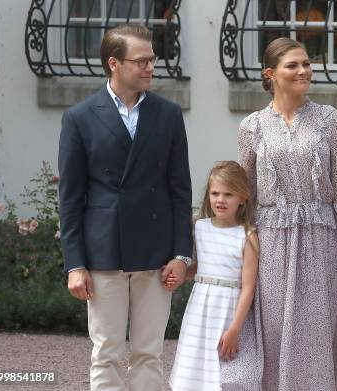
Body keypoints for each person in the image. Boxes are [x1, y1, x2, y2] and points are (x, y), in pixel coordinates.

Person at [58, 24, 192, 390]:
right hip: (104, 251)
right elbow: (70, 199)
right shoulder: (79, 118)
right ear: (114, 63)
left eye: (152, 59)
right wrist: (75, 264)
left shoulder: (167, 114)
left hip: (156, 252)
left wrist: (183, 254)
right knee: (107, 352)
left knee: (150, 353)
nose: (150, 67)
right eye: (142, 61)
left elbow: (181, 190)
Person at [238, 37, 337, 391]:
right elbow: (245, 194)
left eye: (306, 63)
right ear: (270, 74)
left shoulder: (330, 120)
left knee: (325, 335)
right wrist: (235, 251)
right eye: (293, 65)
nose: (303, 70)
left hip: (323, 243)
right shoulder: (252, 126)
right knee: (275, 335)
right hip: (272, 245)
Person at [169, 161, 262, 391]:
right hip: (200, 309)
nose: (220, 200)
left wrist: (235, 330)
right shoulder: (200, 227)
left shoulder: (247, 235)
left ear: (242, 198)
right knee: (193, 368)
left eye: (228, 194)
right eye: (215, 193)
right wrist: (180, 275)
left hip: (228, 311)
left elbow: (248, 287)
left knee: (224, 370)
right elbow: (202, 268)